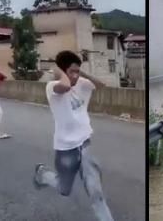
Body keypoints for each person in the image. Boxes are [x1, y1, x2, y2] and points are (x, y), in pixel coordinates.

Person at [33, 51, 114, 221]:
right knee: (64, 189)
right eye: (72, 71)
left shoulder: (83, 83)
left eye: (78, 71)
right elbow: (65, 86)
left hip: (85, 145)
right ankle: (42, 174)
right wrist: (60, 72)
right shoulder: (52, 87)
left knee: (96, 192)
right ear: (63, 71)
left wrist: (79, 72)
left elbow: (102, 85)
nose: (76, 76)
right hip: (65, 150)